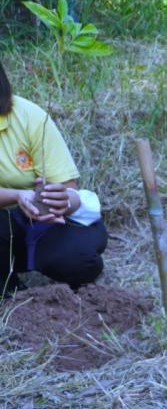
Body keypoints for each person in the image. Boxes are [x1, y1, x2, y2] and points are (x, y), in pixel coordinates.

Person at [0, 61, 106, 295]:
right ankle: (9, 291)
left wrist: (58, 201)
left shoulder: (29, 116)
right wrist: (18, 195)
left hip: (38, 222)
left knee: (77, 261)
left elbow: (68, 190)